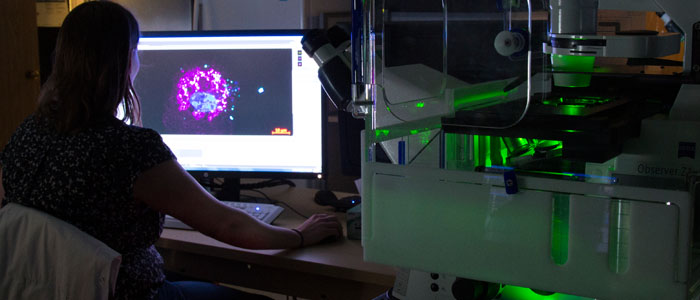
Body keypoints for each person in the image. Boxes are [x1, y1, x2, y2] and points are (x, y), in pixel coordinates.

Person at [0, 2, 342, 300]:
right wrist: (298, 235)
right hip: (129, 292)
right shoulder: (130, 149)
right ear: (123, 61)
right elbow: (228, 226)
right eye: (135, 49)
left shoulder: (26, 134)